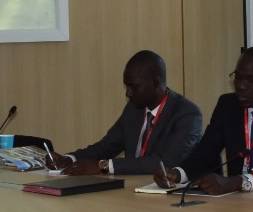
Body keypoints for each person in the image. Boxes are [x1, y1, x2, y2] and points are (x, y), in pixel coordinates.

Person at [154, 46, 253, 195]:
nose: (241, 86)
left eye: (251, 80)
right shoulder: (228, 105)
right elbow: (205, 154)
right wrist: (177, 174)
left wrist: (240, 182)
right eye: (238, 77)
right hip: (237, 201)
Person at [57, 50, 202, 177]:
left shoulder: (188, 114)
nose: (128, 93)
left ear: (155, 82)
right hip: (134, 189)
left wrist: (103, 166)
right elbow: (106, 147)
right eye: (127, 87)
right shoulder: (133, 109)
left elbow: (164, 162)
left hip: (174, 195)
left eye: (134, 87)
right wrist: (70, 159)